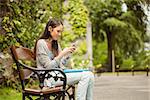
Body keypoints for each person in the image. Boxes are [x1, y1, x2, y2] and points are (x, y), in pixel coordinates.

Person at [34, 18, 94, 100]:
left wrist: (67, 54)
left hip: (58, 74)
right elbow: (48, 67)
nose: (60, 34)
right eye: (58, 31)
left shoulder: (55, 44)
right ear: (50, 29)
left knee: (90, 75)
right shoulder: (41, 43)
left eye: (61, 32)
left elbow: (60, 64)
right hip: (48, 78)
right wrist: (62, 54)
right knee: (86, 76)